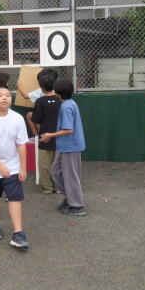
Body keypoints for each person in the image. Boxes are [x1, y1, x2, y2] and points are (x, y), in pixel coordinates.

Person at [0, 85, 30, 249]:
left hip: (13, 167)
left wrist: (23, 167)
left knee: (15, 197)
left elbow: (21, 144)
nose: (4, 98)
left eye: (7, 95)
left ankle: (18, 233)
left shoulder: (18, 118)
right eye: (0, 95)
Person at [41, 77, 86, 216]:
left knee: (71, 176)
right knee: (56, 172)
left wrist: (50, 135)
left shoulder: (66, 107)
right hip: (67, 147)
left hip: (70, 147)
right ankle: (71, 198)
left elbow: (68, 129)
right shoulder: (70, 103)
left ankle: (77, 206)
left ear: (57, 93)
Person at [30, 71, 61, 194]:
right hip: (59, 136)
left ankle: (47, 188)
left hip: (45, 136)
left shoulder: (40, 101)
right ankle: (58, 186)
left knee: (44, 165)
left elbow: (36, 120)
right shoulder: (60, 100)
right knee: (58, 164)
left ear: (41, 88)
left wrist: (39, 133)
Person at [18, 68, 58, 135]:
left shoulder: (40, 93)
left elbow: (25, 96)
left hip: (44, 118)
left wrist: (19, 86)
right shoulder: (59, 89)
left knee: (33, 115)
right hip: (56, 119)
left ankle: (38, 136)